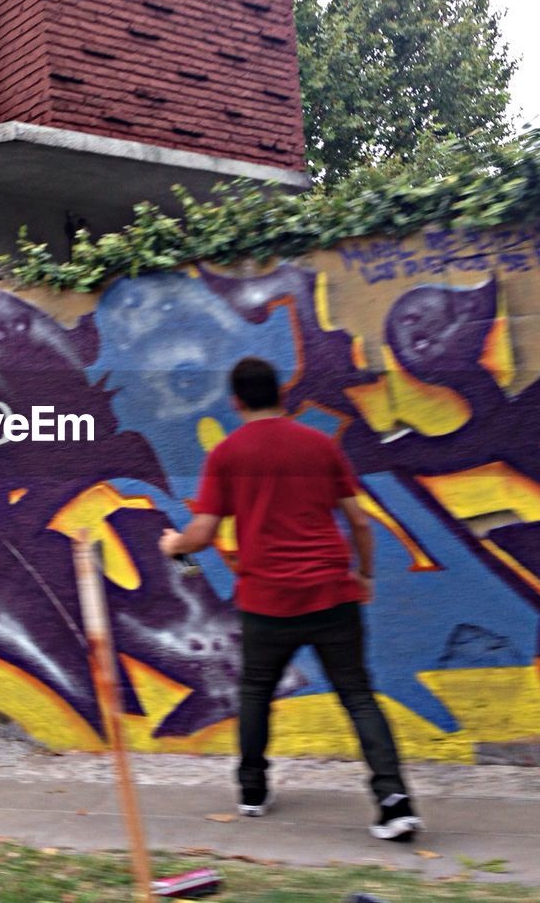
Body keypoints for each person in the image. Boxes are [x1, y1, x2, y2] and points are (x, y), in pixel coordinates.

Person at [158, 356, 422, 841]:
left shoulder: (228, 454)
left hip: (268, 602)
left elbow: (202, 532)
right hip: (332, 594)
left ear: (235, 401)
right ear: (280, 393)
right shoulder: (320, 445)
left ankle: (253, 792)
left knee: (256, 692)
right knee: (358, 696)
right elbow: (360, 522)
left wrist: (174, 546)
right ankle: (394, 801)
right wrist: (364, 574)